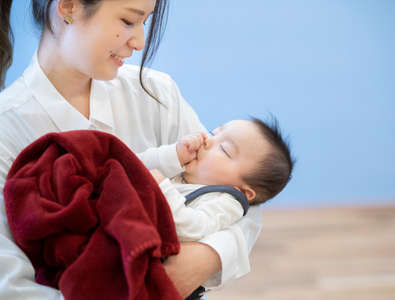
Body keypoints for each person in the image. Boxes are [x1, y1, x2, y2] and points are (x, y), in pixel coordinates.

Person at [0, 1, 262, 299]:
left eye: (145, 22)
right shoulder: (6, 129)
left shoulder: (156, 93)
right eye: (127, 21)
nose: (140, 41)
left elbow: (240, 194)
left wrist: (203, 259)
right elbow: (11, 286)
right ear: (69, 6)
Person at [151, 118, 294, 243]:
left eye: (225, 149)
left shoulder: (226, 203)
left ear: (243, 192)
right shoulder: (180, 171)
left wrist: (163, 189)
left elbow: (192, 229)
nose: (207, 140)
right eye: (213, 133)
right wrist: (173, 155)